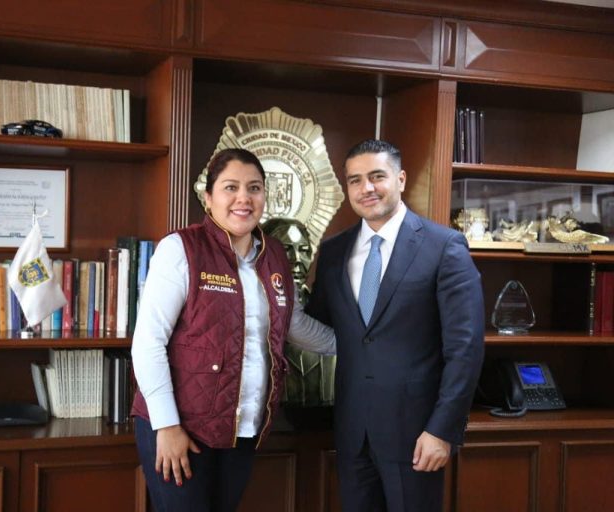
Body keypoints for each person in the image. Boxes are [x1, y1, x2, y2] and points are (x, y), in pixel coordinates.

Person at [130, 148, 335, 512]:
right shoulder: (181, 249)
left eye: (254, 188)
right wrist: (167, 426)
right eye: (231, 187)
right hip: (180, 428)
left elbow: (293, 324)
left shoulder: (274, 254)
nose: (244, 198)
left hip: (243, 428)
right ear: (209, 197)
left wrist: (354, 345)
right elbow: (148, 343)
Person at [291, 139, 485, 511]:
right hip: (352, 434)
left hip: (417, 436)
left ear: (401, 179)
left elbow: (466, 349)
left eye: (377, 176)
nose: (366, 188)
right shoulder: (333, 252)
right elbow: (325, 326)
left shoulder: (444, 246)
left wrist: (442, 429)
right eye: (355, 180)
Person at [262, 217, 336, 408]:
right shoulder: (254, 309)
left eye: (304, 250)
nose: (296, 259)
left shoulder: (325, 305)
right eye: (285, 249)